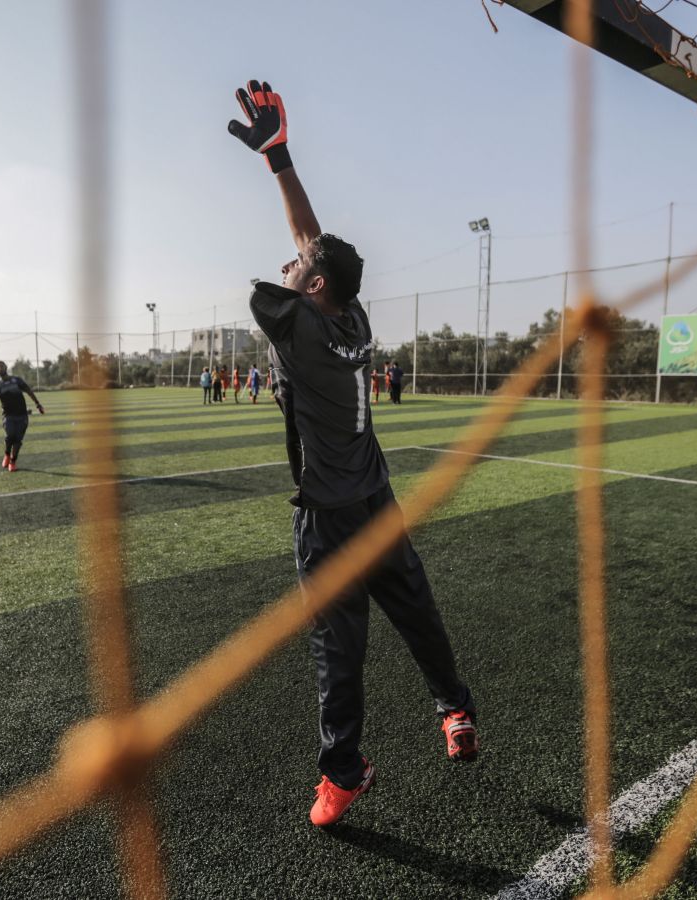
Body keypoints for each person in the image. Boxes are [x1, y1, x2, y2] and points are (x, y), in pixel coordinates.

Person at [229, 78, 477, 828]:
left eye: (300, 269)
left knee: (338, 651)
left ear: (315, 287)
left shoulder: (295, 323)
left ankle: (343, 774)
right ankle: (454, 710)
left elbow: (300, 260)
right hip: (377, 495)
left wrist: (281, 164)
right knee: (418, 612)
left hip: (332, 515)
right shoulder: (353, 314)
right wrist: (280, 159)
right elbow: (315, 243)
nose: (290, 266)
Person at [0, 360, 44, 472]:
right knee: (9, 436)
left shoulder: (17, 380)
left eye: (1, 366)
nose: (0, 368)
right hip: (8, 415)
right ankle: (7, 454)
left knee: (18, 439)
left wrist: (38, 404)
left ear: (6, 367)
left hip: (22, 415)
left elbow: (29, 391)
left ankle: (13, 461)